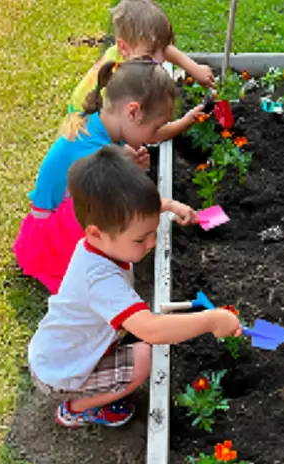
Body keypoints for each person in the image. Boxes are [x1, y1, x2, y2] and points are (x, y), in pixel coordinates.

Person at [28, 145, 242, 427]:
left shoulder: (102, 243)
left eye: (152, 232)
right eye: (140, 240)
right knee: (143, 358)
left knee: (134, 340)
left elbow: (142, 212)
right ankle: (76, 409)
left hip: (61, 350)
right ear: (97, 233)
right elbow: (151, 330)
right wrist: (211, 320)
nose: (151, 243)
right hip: (62, 371)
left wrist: (171, 206)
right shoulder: (100, 280)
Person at [13, 60, 198, 294]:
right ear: (133, 111)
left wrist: (132, 166)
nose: (155, 135)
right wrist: (170, 205)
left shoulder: (100, 126)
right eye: (156, 127)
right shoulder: (96, 153)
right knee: (116, 216)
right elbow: (128, 202)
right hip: (49, 244)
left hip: (49, 224)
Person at [69, 0, 215, 114]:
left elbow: (165, 49)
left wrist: (194, 68)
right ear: (123, 47)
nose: (161, 59)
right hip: (86, 121)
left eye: (162, 49)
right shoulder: (122, 79)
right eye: (152, 52)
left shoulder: (132, 50)